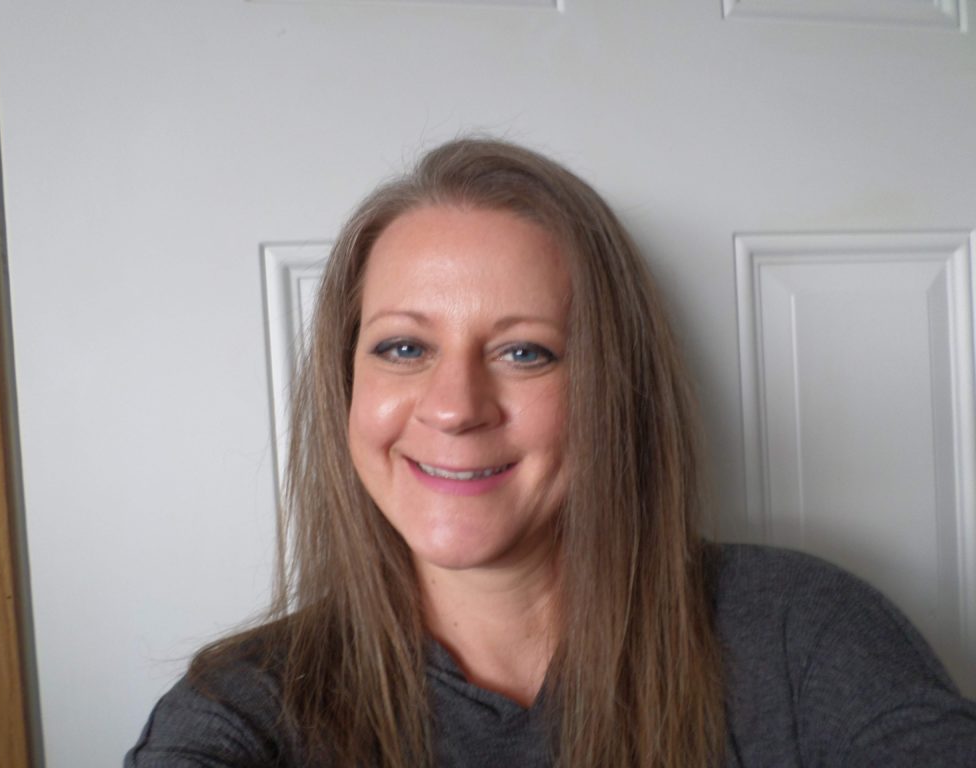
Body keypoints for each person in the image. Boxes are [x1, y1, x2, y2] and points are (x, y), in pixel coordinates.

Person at [125, 138, 976, 767]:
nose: (455, 408)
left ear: (614, 390)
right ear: (346, 384)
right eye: (403, 348)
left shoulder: (801, 638)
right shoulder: (243, 709)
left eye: (524, 352)